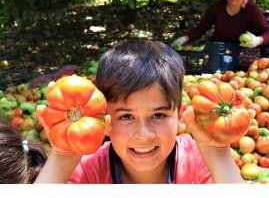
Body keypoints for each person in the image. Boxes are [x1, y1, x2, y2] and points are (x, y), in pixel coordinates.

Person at [34, 39, 243, 184]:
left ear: (180, 115)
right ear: (103, 120)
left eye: (158, 115)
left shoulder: (199, 163)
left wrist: (218, 154)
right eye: (126, 116)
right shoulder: (88, 171)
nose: (144, 134)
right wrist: (62, 158)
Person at [172, 0, 269, 71]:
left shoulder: (251, 9)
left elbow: (268, 33)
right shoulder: (218, 7)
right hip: (218, 49)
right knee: (197, 61)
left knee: (248, 63)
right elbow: (201, 29)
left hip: (242, 50)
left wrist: (258, 40)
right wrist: (184, 38)